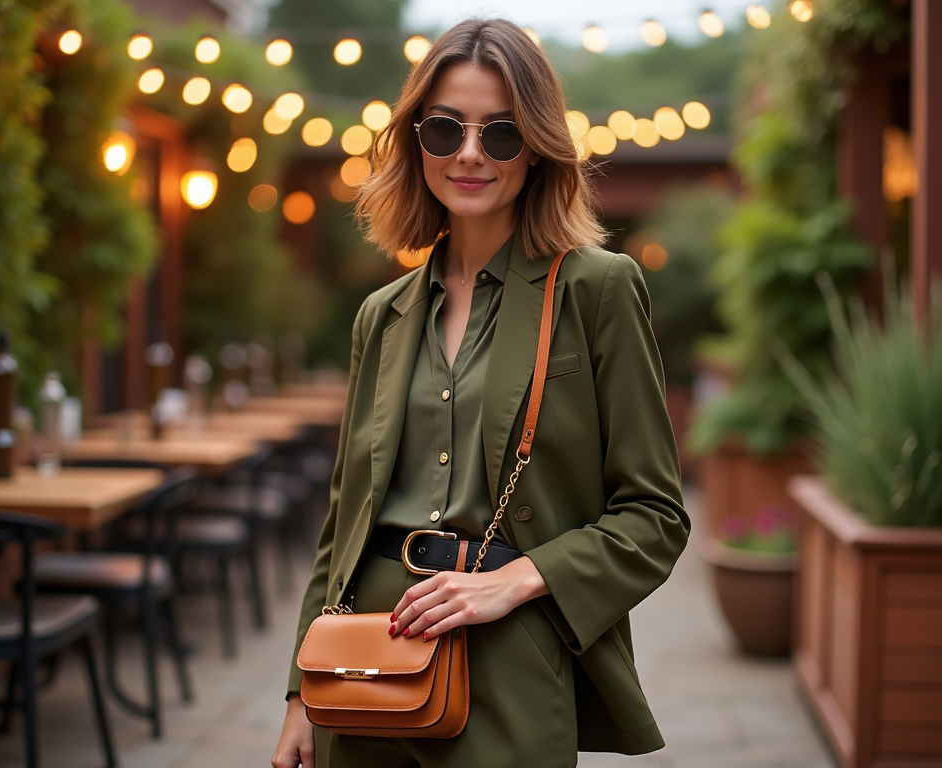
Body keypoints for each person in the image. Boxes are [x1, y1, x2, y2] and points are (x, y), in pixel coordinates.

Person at [272, 17, 690, 768]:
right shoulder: (383, 315)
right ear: (416, 142)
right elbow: (343, 525)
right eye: (445, 129)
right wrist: (301, 691)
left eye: (500, 134)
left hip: (508, 659)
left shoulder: (597, 290)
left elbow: (655, 516)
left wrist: (517, 581)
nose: (470, 154)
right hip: (362, 660)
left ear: (535, 150)